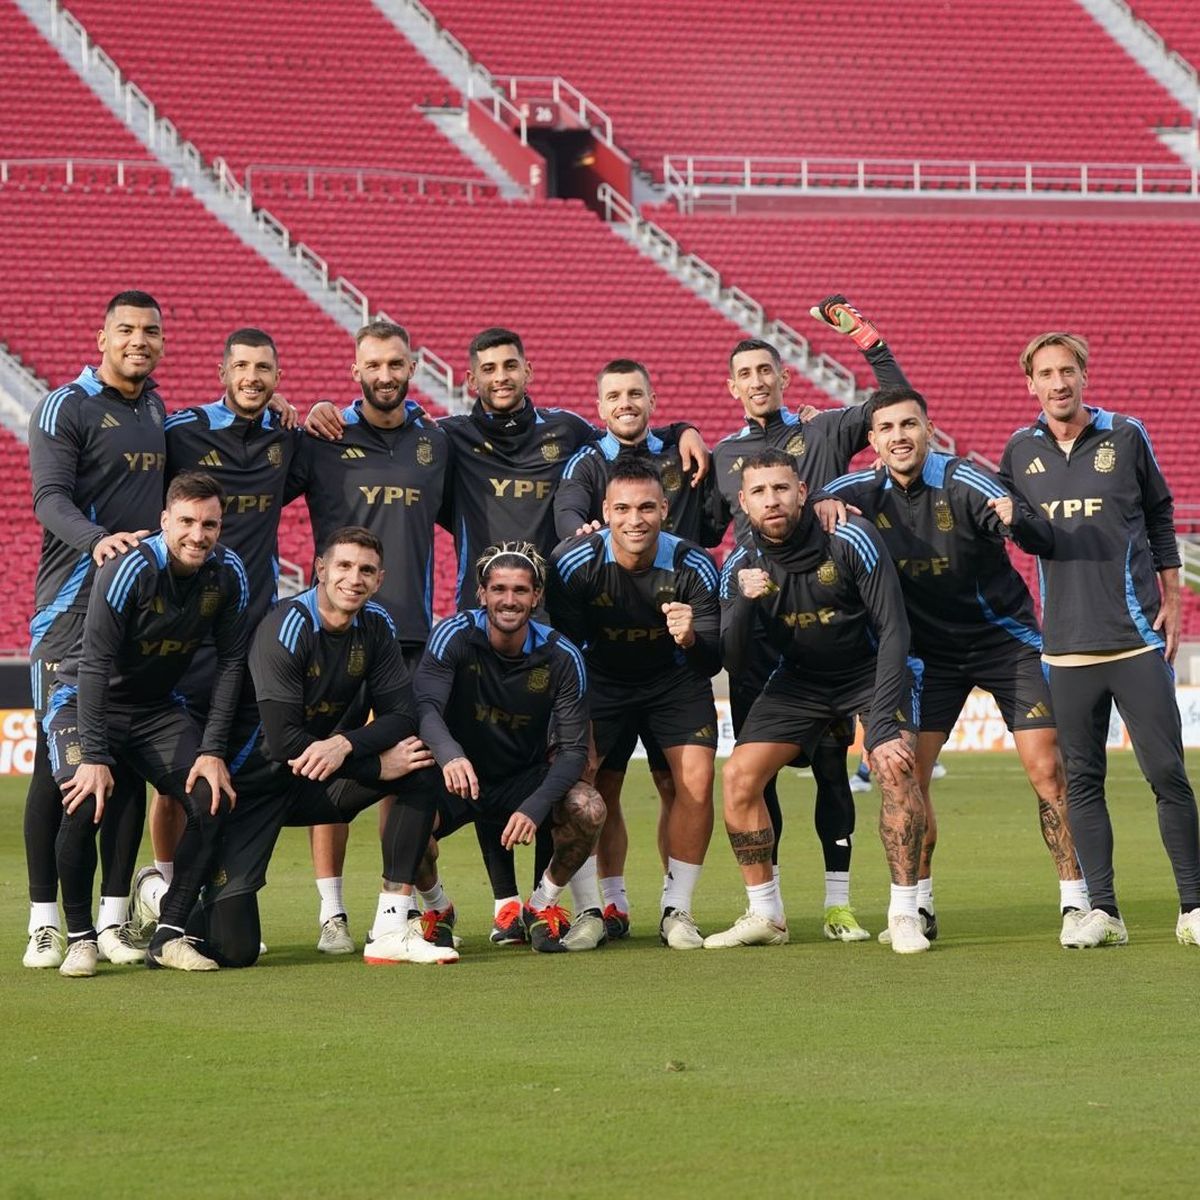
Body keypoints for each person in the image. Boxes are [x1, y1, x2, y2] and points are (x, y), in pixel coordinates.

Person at [305, 327, 708, 943]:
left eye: (510, 366)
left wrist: (682, 430)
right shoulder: (446, 437)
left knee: (575, 775)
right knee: (449, 764)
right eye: (487, 368)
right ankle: (427, 906)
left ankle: (574, 907)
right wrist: (317, 410)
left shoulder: (568, 432)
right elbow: (389, 426)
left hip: (555, 630)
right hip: (482, 629)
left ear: (528, 370)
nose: (500, 376)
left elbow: (626, 430)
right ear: (469, 379)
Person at [817, 386, 1089, 942]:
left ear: (929, 429)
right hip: (924, 656)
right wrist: (819, 501)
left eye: (909, 425)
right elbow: (799, 503)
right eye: (887, 428)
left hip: (1003, 642)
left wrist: (1014, 521)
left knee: (1047, 771)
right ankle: (919, 906)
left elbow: (1033, 531)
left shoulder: (966, 480)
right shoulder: (855, 491)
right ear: (872, 441)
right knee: (908, 777)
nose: (899, 437)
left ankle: (1077, 904)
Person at [704, 310, 908, 942]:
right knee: (748, 777)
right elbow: (696, 523)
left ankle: (843, 905)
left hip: (834, 618)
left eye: (766, 369)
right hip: (766, 634)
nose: (757, 380)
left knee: (829, 771)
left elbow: (892, 403)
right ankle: (766, 909)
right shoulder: (720, 456)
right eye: (745, 374)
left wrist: (869, 343)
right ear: (731, 387)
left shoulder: (821, 432)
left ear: (785, 376)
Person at [166, 526, 449, 968]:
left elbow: (402, 716)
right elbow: (283, 742)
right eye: (344, 566)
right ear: (320, 569)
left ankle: (391, 928)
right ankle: (156, 892)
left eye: (366, 570)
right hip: (255, 788)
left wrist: (344, 744)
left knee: (417, 764)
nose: (354, 578)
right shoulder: (287, 625)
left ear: (380, 579)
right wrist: (371, 765)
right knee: (235, 951)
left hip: (318, 783)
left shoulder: (377, 625)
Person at [999, 332, 1200, 949]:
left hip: (1136, 640)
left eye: (1068, 371)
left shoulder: (1127, 435)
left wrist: (1172, 597)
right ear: (1030, 384)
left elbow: (1161, 517)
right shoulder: (1018, 452)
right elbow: (1035, 541)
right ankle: (1103, 913)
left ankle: (1193, 908)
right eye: (1046, 374)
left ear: (1083, 376)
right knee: (1081, 781)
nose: (1058, 383)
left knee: (1167, 772)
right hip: (1065, 649)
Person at [708, 449, 929, 953]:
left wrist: (883, 729)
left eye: (782, 488)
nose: (772, 500)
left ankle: (904, 913)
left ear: (803, 492)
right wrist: (743, 602)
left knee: (894, 767)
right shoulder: (740, 564)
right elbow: (734, 660)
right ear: (743, 503)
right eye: (759, 492)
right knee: (739, 778)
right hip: (800, 680)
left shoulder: (851, 537)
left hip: (870, 672)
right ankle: (766, 914)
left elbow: (894, 629)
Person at [287, 320, 451, 954]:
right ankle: (332, 912)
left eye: (397, 363)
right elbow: (258, 474)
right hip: (332, 634)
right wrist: (289, 410)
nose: (386, 374)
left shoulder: (437, 442)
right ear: (354, 370)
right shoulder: (323, 439)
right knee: (331, 757)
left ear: (413, 368)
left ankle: (398, 907)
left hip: (408, 634)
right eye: (373, 364)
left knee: (402, 766)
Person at [47, 472, 249, 975]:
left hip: (155, 709)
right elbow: (94, 664)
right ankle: (79, 937)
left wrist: (213, 749)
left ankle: (170, 933)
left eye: (209, 524)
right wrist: (94, 757)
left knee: (211, 798)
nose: (197, 535)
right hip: (81, 701)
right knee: (83, 800)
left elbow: (231, 663)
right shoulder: (127, 569)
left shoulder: (229, 573)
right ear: (164, 521)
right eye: (185, 521)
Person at [142, 328, 305, 938]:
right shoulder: (181, 433)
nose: (253, 377)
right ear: (222, 370)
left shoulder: (284, 440)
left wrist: (313, 412)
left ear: (277, 375)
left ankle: (217, 891)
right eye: (242, 366)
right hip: (183, 633)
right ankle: (161, 885)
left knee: (234, 766)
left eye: (264, 368)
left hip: (250, 636)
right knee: (175, 774)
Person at [24, 290, 168, 969]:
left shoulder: (157, 407)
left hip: (135, 617)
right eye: (127, 329)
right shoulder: (66, 405)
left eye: (150, 331)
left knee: (129, 766)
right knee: (59, 774)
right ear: (102, 335)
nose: (139, 340)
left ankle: (113, 921)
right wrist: (100, 540)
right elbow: (48, 497)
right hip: (70, 616)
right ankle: (45, 921)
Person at [553, 359, 707, 939]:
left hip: (672, 679)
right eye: (614, 394)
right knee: (596, 789)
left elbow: (711, 653)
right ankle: (600, 908)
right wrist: (577, 532)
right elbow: (566, 505)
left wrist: (692, 635)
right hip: (604, 680)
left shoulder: (691, 557)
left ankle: (677, 909)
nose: (626, 402)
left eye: (635, 393)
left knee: (688, 784)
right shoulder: (587, 473)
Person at [412, 543, 605, 953]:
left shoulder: (562, 655)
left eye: (521, 590)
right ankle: (437, 909)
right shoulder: (453, 635)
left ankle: (540, 905)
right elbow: (425, 707)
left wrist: (535, 806)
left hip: (524, 778)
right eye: (499, 589)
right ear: (481, 594)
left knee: (589, 807)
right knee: (400, 819)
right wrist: (450, 754)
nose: (509, 599)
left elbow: (573, 750)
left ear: (536, 596)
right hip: (459, 777)